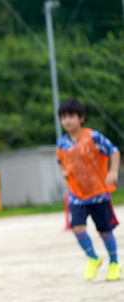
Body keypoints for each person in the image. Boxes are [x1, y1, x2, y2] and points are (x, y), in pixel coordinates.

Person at [56, 98, 121, 281]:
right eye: (63, 117)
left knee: (105, 231)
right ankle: (93, 258)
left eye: (71, 116)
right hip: (77, 196)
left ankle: (114, 263)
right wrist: (63, 172)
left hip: (98, 194)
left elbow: (114, 151)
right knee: (77, 228)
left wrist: (113, 171)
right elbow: (60, 163)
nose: (67, 120)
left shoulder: (93, 137)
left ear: (81, 118)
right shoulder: (61, 144)